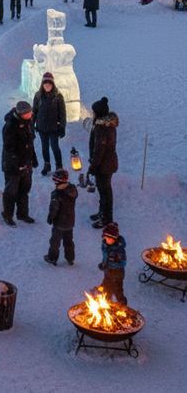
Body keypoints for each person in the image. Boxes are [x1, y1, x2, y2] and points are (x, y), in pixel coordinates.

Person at [1, 100, 38, 226]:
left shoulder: (28, 123)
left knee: (24, 189)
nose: (31, 114)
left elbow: (30, 143)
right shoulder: (11, 126)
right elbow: (9, 148)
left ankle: (22, 214)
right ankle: (7, 214)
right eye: (28, 113)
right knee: (11, 191)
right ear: (21, 114)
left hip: (26, 163)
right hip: (13, 165)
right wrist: (17, 164)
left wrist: (33, 158)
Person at [87, 97, 118, 229]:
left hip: (104, 165)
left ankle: (106, 219)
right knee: (104, 191)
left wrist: (93, 166)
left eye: (94, 112)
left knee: (105, 192)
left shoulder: (102, 128)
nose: (92, 114)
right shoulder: (106, 125)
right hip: (107, 163)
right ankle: (102, 213)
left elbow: (100, 150)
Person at [32, 72, 66, 175]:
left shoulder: (58, 96)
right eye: (45, 83)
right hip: (41, 127)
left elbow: (63, 113)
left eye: (49, 83)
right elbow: (34, 111)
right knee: (44, 147)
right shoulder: (38, 96)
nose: (47, 85)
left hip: (53, 128)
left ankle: (59, 166)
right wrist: (31, 125)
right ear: (42, 84)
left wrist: (62, 126)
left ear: (53, 84)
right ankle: (47, 165)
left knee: (55, 147)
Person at [44, 169, 78, 266]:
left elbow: (54, 209)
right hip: (70, 221)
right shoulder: (72, 190)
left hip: (59, 223)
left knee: (55, 242)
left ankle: (52, 258)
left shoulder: (56, 195)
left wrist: (50, 217)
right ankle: (70, 258)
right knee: (69, 241)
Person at [98, 223, 127, 304]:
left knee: (118, 292)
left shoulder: (119, 249)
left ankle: (123, 306)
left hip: (117, 274)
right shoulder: (105, 244)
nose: (108, 240)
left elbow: (123, 263)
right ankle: (107, 304)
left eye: (110, 239)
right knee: (106, 290)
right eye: (106, 238)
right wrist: (103, 264)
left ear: (115, 239)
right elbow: (105, 257)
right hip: (107, 272)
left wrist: (115, 261)